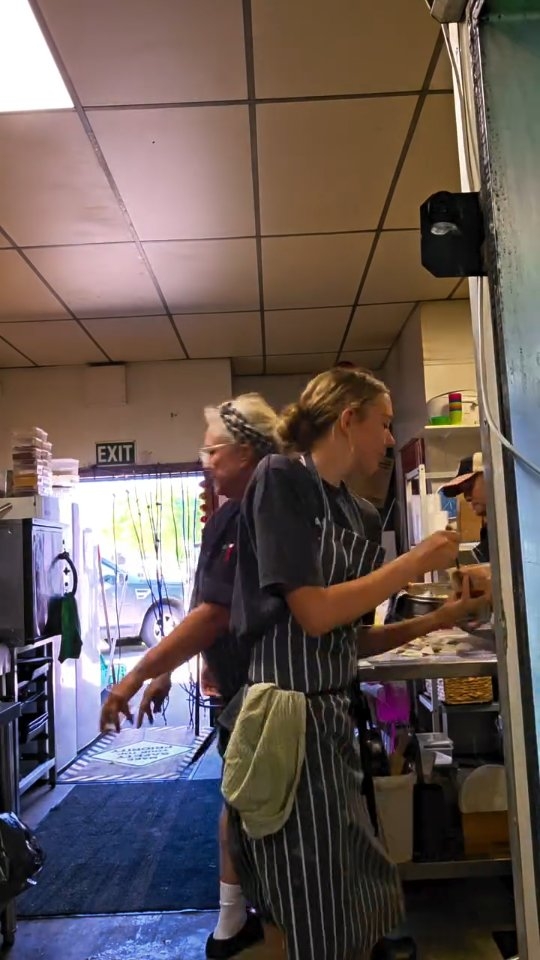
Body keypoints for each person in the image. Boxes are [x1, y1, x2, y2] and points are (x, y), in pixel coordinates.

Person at [225, 367, 485, 960]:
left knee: (355, 884)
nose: (391, 441)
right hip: (285, 725)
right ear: (348, 418)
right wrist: (412, 563)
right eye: (386, 424)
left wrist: (439, 618)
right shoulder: (280, 480)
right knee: (307, 894)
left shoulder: (358, 513)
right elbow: (314, 615)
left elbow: (347, 641)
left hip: (333, 724)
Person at [100, 392, 278, 960]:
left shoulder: (261, 511)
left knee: (251, 807)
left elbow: (215, 615)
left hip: (264, 690)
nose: (205, 461)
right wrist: (166, 674)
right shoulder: (228, 513)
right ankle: (234, 922)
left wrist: (133, 677)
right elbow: (210, 604)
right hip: (236, 686)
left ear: (247, 452)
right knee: (236, 804)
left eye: (212, 450)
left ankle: (257, 924)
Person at [441, 452, 489, 562]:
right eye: (463, 491)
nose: (467, 497)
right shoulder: (489, 531)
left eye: (469, 487)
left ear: (489, 477)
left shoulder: (515, 523)